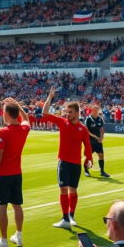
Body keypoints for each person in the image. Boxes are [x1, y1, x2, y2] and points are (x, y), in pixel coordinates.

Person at [43, 86, 94, 229]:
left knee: (73, 190)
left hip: (76, 164)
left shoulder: (83, 128)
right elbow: (45, 112)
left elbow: (87, 144)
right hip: (63, 163)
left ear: (77, 113)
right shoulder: (62, 122)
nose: (67, 114)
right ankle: (65, 219)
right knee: (63, 189)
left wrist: (88, 158)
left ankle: (71, 216)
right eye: (66, 111)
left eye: (70, 112)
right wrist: (50, 97)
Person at [0, 98, 30, 247]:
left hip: (3, 175)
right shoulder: (24, 129)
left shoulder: (3, 131)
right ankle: (18, 236)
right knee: (17, 206)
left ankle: (3, 240)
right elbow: (26, 119)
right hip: (16, 174)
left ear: (6, 114)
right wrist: (18, 105)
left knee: (2, 208)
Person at [83, 104, 108, 179]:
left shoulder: (100, 119)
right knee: (88, 156)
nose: (96, 110)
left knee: (101, 155)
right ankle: (86, 170)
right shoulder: (88, 119)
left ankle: (102, 171)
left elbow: (102, 130)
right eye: (95, 109)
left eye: (97, 109)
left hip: (98, 141)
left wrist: (101, 137)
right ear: (92, 110)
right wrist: (95, 137)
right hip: (90, 141)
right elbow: (87, 131)